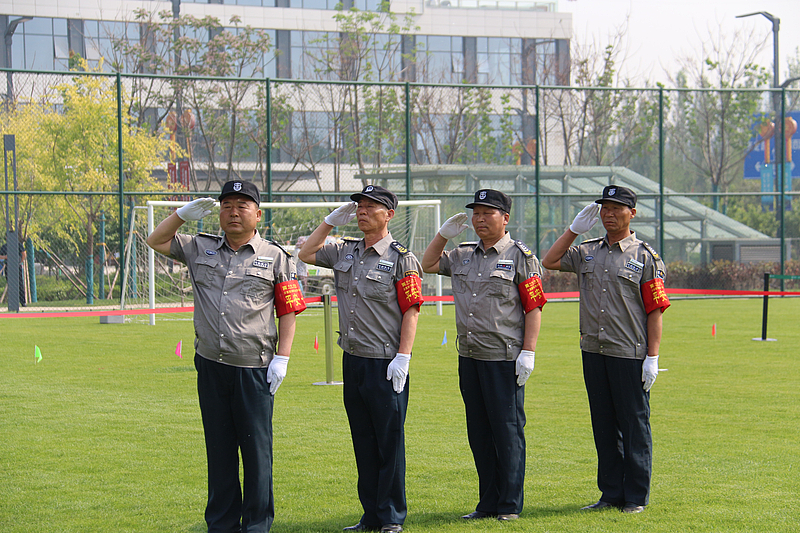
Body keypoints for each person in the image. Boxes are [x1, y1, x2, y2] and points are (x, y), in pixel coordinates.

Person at [146, 180, 306, 533]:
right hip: (211, 364)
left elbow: (289, 309)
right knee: (218, 450)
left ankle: (257, 524)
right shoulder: (198, 247)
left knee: (257, 452)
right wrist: (180, 215)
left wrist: (283, 358)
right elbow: (155, 240)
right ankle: (221, 523)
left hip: (254, 367)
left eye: (242, 206)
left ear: (257, 214)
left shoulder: (276, 256)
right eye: (227, 205)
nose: (233, 212)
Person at [298, 185, 423, 533]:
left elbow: (411, 309)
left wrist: (403, 357)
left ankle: (391, 516)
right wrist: (328, 222)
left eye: (371, 206)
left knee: (389, 442)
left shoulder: (401, 259)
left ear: (390, 215)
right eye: (359, 206)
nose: (362, 211)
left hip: (385, 362)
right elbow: (306, 253)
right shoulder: (344, 250)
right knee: (363, 441)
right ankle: (371, 514)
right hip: (353, 360)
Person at [541, 185, 669, 514]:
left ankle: (636, 497)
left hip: (629, 352)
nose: (609, 214)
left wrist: (652, 358)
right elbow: (549, 261)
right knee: (603, 424)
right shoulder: (587, 250)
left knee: (634, 425)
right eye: (604, 208)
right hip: (593, 350)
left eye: (617, 208)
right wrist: (573, 230)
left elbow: (655, 309)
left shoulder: (645, 257)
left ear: (632, 213)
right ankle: (611, 493)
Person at [421, 189, 546, 522]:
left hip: (503, 358)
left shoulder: (521, 257)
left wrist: (528, 352)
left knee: (507, 432)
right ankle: (487, 502)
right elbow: (428, 264)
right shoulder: (462, 254)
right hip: (470, 356)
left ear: (505, 218)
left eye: (487, 213)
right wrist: (442, 235)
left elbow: (534, 306)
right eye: (475, 213)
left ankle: (509, 504)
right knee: (479, 432)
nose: (479, 219)